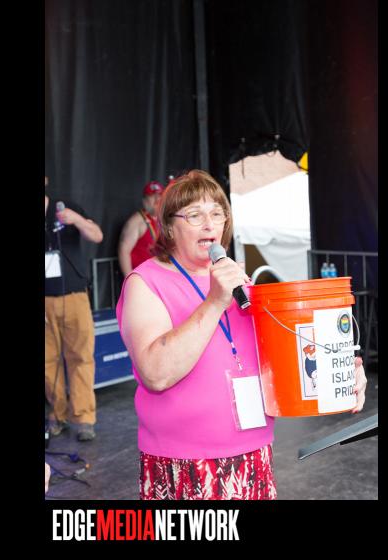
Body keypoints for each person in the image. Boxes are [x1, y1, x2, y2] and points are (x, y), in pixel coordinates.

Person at [116, 170, 368, 500]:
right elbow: (156, 373)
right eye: (195, 215)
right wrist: (214, 302)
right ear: (170, 227)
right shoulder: (145, 283)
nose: (209, 224)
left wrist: (340, 372)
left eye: (216, 213)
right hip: (184, 464)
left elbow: (285, 360)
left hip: (252, 456)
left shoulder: (238, 281)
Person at [45, 175, 104, 442]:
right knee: (47, 361)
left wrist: (77, 220)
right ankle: (57, 414)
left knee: (80, 357)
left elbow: (97, 236)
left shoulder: (65, 207)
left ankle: (83, 418)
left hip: (74, 295)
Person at [117, 180, 164, 276]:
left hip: (159, 277)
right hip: (142, 279)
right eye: (152, 196)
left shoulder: (162, 220)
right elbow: (123, 251)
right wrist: (129, 279)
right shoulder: (136, 221)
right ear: (144, 200)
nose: (157, 199)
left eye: (160, 195)